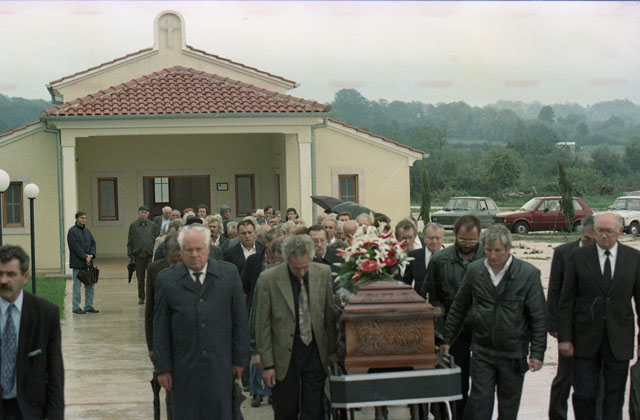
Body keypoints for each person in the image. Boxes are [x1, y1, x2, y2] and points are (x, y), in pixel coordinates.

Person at [441, 224, 546, 420]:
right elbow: (459, 307)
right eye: (488, 250)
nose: (492, 255)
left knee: (508, 407)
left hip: (513, 353)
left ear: (508, 249)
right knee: (480, 404)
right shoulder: (475, 270)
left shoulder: (528, 274)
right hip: (482, 351)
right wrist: (447, 340)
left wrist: (537, 353)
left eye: (498, 250)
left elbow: (538, 316)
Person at [153, 225, 250, 419]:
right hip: (183, 368)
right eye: (189, 250)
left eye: (199, 249)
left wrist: (240, 360)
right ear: (182, 251)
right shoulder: (167, 280)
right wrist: (163, 368)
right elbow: (160, 328)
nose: (194, 254)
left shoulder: (229, 274)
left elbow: (240, 320)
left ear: (208, 248)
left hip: (220, 366)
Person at [558, 213, 640, 420]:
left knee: (614, 397)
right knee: (584, 394)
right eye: (600, 231)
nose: (603, 236)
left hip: (619, 339)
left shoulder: (633, 258)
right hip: (585, 338)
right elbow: (566, 300)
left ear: (619, 232)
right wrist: (565, 338)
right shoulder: (579, 257)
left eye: (609, 232)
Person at [255, 234, 337, 420]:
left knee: (314, 409)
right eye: (296, 268)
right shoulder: (269, 279)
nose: (301, 272)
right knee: (285, 409)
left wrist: (332, 351)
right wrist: (268, 365)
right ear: (286, 259)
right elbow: (263, 324)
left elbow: (329, 315)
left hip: (315, 351)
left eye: (305, 267)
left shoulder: (323, 272)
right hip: (284, 355)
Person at [423, 215, 483, 420]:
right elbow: (431, 296)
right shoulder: (440, 260)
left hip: (483, 329)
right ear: (455, 235)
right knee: (459, 380)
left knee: (483, 382)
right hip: (453, 330)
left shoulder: (488, 258)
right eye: (463, 239)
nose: (467, 244)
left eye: (472, 240)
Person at [0, 245, 64, 420]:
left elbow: (55, 374)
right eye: (0, 274)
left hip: (29, 411)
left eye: (11, 274)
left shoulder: (46, 314)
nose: (3, 280)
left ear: (25, 276)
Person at [547, 216, 596, 420]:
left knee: (591, 378)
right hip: (568, 327)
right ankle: (557, 415)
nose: (589, 244)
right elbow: (554, 289)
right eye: (586, 239)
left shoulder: (602, 256)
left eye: (593, 241)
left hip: (593, 328)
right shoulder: (563, 252)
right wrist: (554, 324)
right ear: (581, 234)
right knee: (564, 376)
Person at [240, 228, 286, 408]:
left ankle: (270, 391)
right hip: (258, 309)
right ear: (266, 243)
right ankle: (256, 391)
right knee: (257, 354)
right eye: (276, 244)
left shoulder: (286, 262)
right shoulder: (254, 261)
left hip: (279, 316)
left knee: (273, 355)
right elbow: (245, 287)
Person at [145, 233, 181, 420]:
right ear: (166, 254)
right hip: (165, 340)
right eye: (173, 261)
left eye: (179, 260)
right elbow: (150, 312)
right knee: (170, 392)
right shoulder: (155, 269)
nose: (176, 265)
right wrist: (152, 346)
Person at [67, 210, 98, 314]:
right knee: (77, 286)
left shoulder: (87, 231)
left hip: (88, 264)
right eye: (81, 218)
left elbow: (93, 243)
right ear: (76, 219)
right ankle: (76, 307)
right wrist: (85, 257)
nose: (83, 220)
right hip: (78, 263)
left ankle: (89, 306)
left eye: (85, 218)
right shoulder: (72, 231)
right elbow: (74, 247)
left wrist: (91, 255)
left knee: (90, 285)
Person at [127, 205, 158, 304]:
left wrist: (155, 253)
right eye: (142, 212)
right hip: (138, 256)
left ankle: (151, 296)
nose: (143, 214)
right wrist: (130, 255)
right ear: (139, 213)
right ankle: (141, 297)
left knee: (151, 278)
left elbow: (156, 239)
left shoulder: (153, 225)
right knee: (140, 279)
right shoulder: (133, 225)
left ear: (148, 214)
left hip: (150, 255)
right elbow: (130, 241)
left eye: (145, 212)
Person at [402, 222, 444, 291]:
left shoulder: (451, 257)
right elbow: (406, 283)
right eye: (431, 238)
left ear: (442, 238)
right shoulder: (413, 256)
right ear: (424, 238)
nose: (434, 241)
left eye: (438, 238)